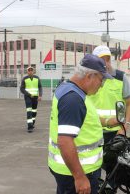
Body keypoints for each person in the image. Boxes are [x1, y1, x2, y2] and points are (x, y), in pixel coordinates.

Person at [48, 54, 112, 194]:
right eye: (101, 80)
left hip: (70, 169)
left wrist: (108, 122)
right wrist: (80, 177)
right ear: (90, 76)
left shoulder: (69, 88)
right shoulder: (73, 99)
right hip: (77, 172)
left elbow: (82, 121)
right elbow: (65, 141)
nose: (101, 85)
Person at [90, 45, 130, 144]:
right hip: (92, 130)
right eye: (101, 59)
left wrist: (124, 127)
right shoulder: (88, 78)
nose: (105, 63)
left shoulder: (120, 77)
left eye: (108, 59)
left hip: (115, 132)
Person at [20, 66, 42, 132]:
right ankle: (30, 127)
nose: (30, 71)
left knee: (34, 111)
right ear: (27, 72)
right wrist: (29, 94)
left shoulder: (37, 78)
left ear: (33, 71)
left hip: (35, 97)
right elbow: (22, 89)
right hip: (28, 97)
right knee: (29, 111)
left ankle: (32, 122)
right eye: (29, 70)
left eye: (31, 70)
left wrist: (40, 95)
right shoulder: (24, 79)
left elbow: (40, 87)